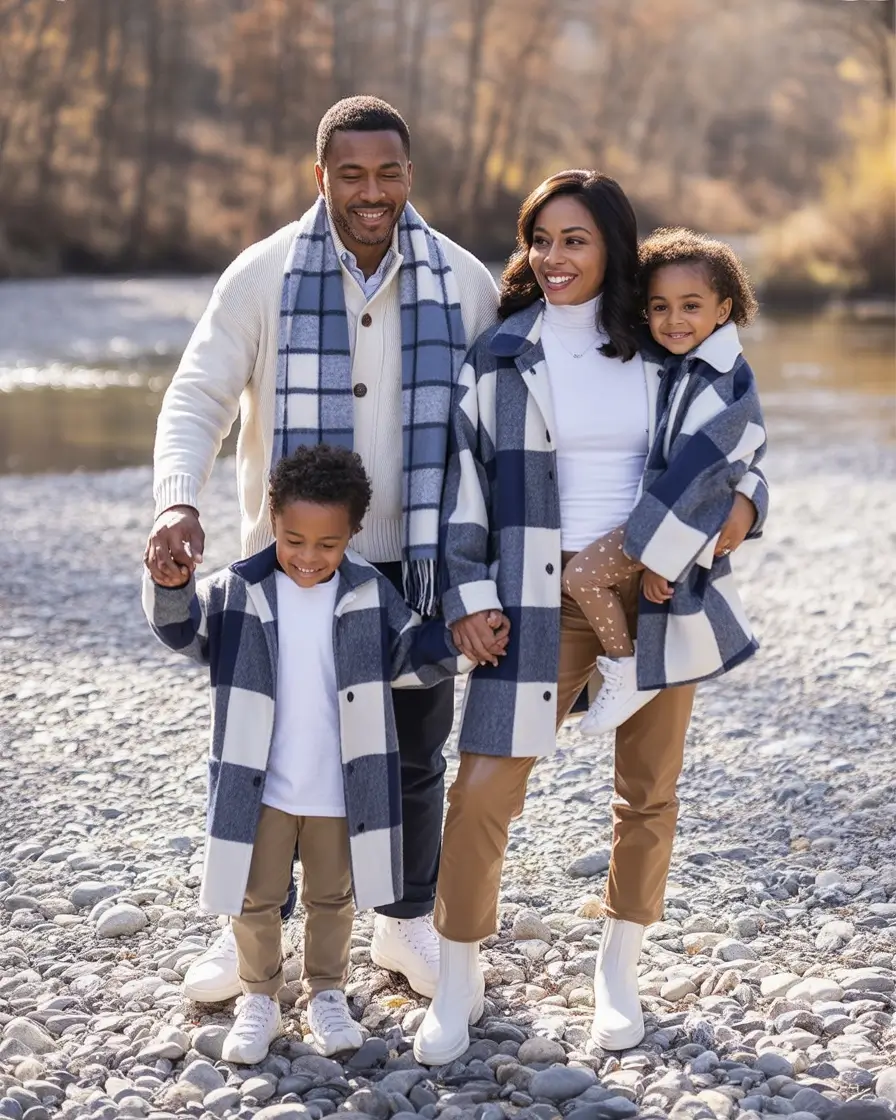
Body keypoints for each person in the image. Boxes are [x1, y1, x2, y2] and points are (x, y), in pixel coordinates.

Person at [143, 96, 500, 1003]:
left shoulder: (464, 282)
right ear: (321, 178)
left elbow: (502, 429)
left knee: (414, 753)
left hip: (415, 565)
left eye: (388, 173)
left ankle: (402, 921)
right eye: (351, 174)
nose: (370, 192)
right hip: (292, 565)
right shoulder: (262, 275)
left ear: (409, 176)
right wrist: (177, 502)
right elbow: (197, 398)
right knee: (265, 751)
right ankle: (247, 930)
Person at [414, 170, 769, 1065]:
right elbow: (460, 482)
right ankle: (456, 982)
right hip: (534, 599)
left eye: (575, 239)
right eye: (542, 239)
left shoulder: (663, 344)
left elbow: (732, 445)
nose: (555, 256)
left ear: (611, 244)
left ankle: (618, 971)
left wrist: (750, 506)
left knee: (647, 793)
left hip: (654, 593)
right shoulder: (501, 354)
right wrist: (468, 593)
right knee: (483, 788)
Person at [143, 445, 485, 1061]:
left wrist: (465, 641)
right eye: (293, 539)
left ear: (352, 535)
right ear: (272, 521)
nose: (308, 556)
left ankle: (327, 991)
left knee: (333, 898)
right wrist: (171, 586)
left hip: (339, 786)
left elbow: (413, 658)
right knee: (256, 898)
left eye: (326, 545)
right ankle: (260, 998)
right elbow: (182, 632)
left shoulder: (370, 594)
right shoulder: (238, 592)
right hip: (262, 785)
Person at [567, 226, 766, 736]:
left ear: (723, 310)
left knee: (582, 576)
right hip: (662, 527)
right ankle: (626, 667)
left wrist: (664, 558)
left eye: (691, 306)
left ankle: (624, 667)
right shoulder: (682, 366)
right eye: (659, 307)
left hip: (667, 531)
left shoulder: (722, 376)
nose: (674, 320)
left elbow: (706, 470)